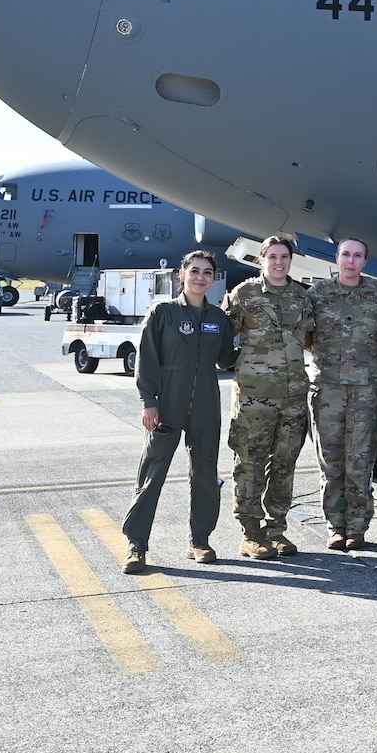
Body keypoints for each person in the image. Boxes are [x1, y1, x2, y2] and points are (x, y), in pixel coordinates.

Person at [120, 250, 236, 572]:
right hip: (167, 401)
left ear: (214, 279)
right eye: (194, 270)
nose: (201, 277)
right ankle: (136, 546)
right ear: (181, 274)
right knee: (152, 473)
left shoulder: (217, 318)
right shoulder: (163, 313)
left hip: (206, 404)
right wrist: (149, 402)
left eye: (207, 273)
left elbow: (227, 359)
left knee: (205, 473)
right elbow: (147, 359)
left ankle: (200, 540)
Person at [221, 235, 313, 560]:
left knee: (285, 466)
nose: (278, 262)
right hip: (253, 400)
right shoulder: (243, 295)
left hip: (293, 399)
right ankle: (251, 534)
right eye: (271, 256)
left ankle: (276, 532)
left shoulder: (302, 298)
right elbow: (221, 337)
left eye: (283, 257)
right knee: (249, 466)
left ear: (290, 260)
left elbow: (314, 340)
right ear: (261, 259)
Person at [306, 237, 377, 550]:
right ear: (337, 259)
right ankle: (335, 526)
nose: (351, 261)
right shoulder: (318, 294)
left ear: (365, 261)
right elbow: (304, 334)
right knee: (331, 461)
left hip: (366, 391)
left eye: (358, 255)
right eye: (346, 255)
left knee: (360, 460)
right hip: (328, 388)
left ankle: (357, 527)